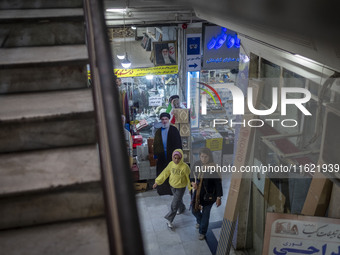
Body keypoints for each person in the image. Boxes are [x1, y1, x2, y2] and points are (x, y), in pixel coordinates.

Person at [153, 149, 191, 229]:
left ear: (181, 158)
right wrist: (157, 182)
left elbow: (189, 178)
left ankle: (170, 220)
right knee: (178, 200)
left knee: (174, 204)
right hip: (172, 186)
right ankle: (182, 208)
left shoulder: (185, 167)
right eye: (175, 158)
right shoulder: (171, 164)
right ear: (172, 157)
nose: (176, 160)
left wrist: (190, 188)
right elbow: (165, 173)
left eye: (178, 158)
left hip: (181, 187)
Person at [191, 148, 223, 240]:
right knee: (194, 210)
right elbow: (192, 175)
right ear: (199, 156)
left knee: (206, 214)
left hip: (209, 196)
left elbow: (218, 183)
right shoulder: (197, 164)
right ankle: (201, 222)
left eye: (206, 157)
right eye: (202, 156)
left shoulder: (213, 167)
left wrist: (218, 197)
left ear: (209, 157)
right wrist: (193, 182)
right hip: (197, 194)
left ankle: (202, 232)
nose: (203, 159)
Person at [153, 112, 182, 195]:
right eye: (162, 119)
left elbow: (178, 143)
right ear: (160, 121)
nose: (164, 121)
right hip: (161, 157)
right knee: (162, 173)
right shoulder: (158, 132)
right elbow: (155, 144)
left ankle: (172, 190)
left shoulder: (174, 130)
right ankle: (163, 190)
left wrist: (178, 155)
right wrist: (155, 156)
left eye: (166, 119)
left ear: (169, 120)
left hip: (172, 156)